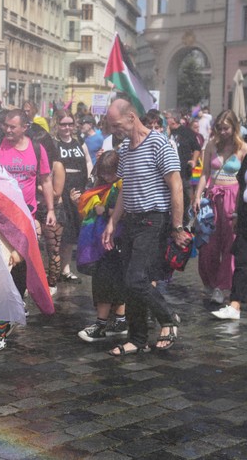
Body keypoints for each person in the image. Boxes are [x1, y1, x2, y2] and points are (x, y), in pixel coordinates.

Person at [102, 98, 187, 356]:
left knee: (136, 278)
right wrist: (112, 221)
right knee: (128, 282)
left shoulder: (160, 143)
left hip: (154, 219)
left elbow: (176, 186)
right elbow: (126, 188)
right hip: (132, 219)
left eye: (116, 125)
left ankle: (169, 317)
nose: (113, 130)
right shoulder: (126, 147)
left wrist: (177, 227)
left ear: (131, 118)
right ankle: (137, 339)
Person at [0, 108, 56, 354]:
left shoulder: (37, 150)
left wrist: (51, 210)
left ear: (25, 127)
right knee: (2, 269)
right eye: (5, 125)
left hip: (27, 218)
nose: (8, 130)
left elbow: (45, 181)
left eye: (13, 126)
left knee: (21, 269)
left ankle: (14, 306)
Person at [192, 110, 247, 306]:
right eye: (219, 128)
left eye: (226, 128)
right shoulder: (211, 146)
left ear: (234, 128)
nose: (222, 132)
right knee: (208, 245)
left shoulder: (242, 148)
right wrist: (197, 195)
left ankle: (223, 287)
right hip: (212, 197)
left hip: (233, 196)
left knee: (230, 244)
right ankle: (211, 282)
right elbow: (205, 173)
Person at [76, 151, 128, 342]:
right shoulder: (104, 186)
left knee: (104, 282)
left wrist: (103, 209)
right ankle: (120, 320)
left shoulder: (121, 185)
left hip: (113, 239)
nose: (106, 177)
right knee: (112, 281)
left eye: (110, 173)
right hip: (103, 239)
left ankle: (101, 324)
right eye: (103, 173)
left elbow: (125, 210)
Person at [51, 110, 92, 283]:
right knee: (61, 231)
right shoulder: (54, 144)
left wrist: (89, 178)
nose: (67, 127)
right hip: (62, 191)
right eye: (63, 124)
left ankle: (66, 269)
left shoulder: (79, 141)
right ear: (57, 125)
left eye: (70, 124)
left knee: (72, 231)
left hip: (78, 190)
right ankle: (55, 268)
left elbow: (88, 160)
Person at [212, 138, 247, 320]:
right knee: (241, 258)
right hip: (244, 213)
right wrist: (237, 214)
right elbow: (242, 187)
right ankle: (235, 305)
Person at [167, 109, 203, 224]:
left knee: (185, 199)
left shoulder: (187, 132)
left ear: (173, 119)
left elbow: (197, 148)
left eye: (167, 117)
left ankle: (186, 223)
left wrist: (193, 160)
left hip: (183, 173)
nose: (165, 120)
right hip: (168, 173)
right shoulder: (165, 133)